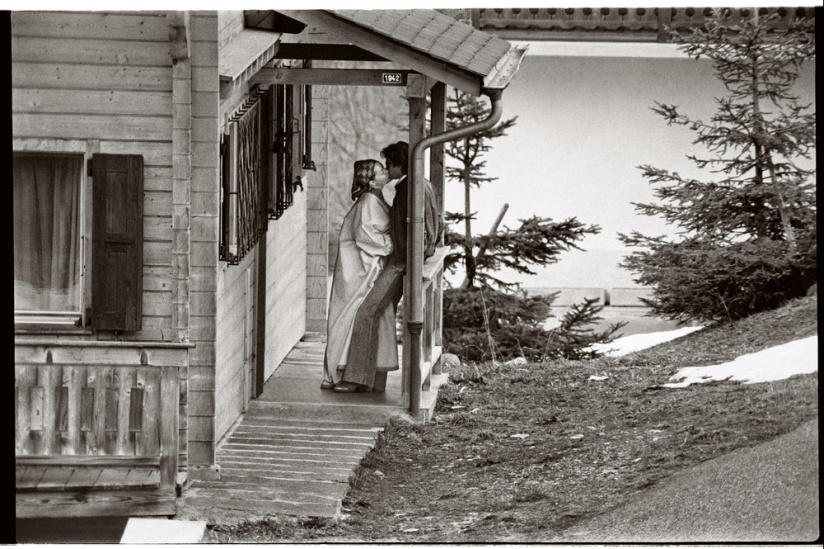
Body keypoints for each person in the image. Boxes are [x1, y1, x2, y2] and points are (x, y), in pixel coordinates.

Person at [334, 141, 442, 393]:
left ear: (399, 164)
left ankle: (356, 378)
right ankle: (372, 380)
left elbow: (415, 228)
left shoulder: (408, 188)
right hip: (407, 259)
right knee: (378, 316)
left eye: (389, 165)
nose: (388, 170)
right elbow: (434, 222)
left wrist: (399, 251)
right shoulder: (420, 184)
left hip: (402, 262)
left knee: (366, 313)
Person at [321, 159, 397, 391]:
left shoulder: (375, 199)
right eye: (381, 171)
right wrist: (393, 244)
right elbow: (366, 236)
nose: (386, 170)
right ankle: (344, 371)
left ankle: (362, 374)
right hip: (360, 270)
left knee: (360, 315)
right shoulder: (368, 202)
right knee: (353, 314)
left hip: (364, 266)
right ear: (372, 181)